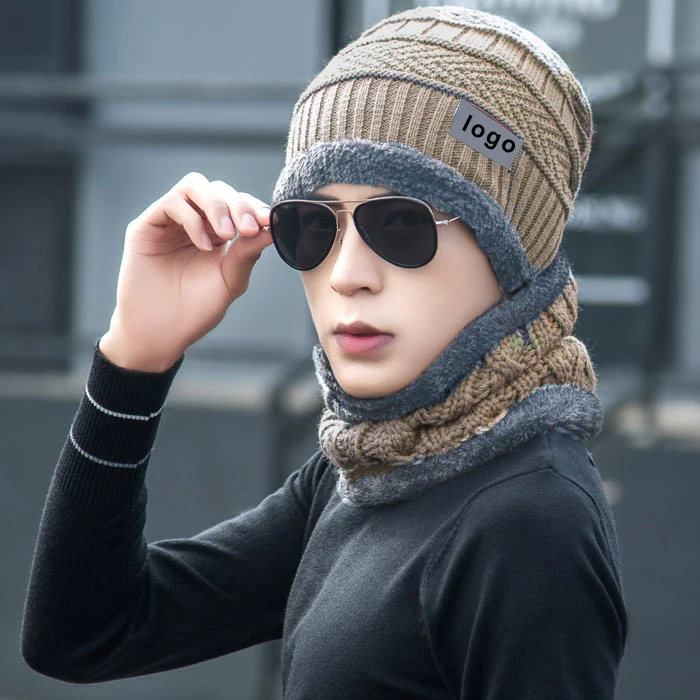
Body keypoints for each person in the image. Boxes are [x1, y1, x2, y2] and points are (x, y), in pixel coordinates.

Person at [20, 5, 628, 698]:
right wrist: (136, 355)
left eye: (400, 224)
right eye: (312, 226)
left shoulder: (531, 521)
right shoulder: (372, 468)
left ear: (511, 256)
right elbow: (84, 633)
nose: (346, 274)